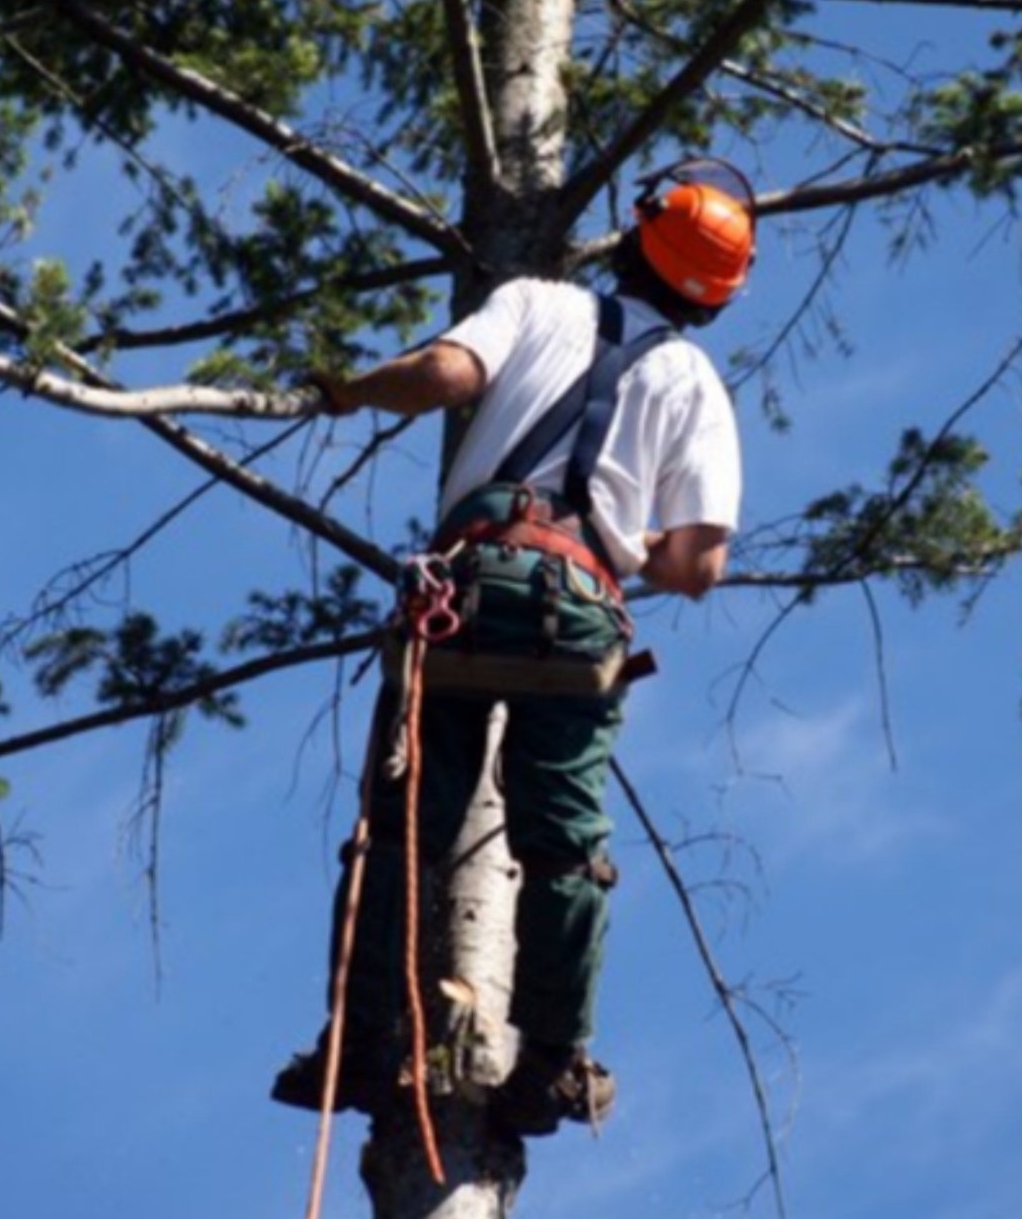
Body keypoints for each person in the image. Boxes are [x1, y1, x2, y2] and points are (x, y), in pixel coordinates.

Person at [272, 158, 755, 1137]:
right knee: (566, 852)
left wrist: (348, 390)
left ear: (634, 236)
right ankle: (550, 1061)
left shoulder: (536, 301)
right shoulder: (692, 377)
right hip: (579, 608)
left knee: (402, 830)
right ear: (712, 296)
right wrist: (612, 549)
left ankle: (360, 1044)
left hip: (464, 583)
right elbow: (700, 563)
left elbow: (446, 374)